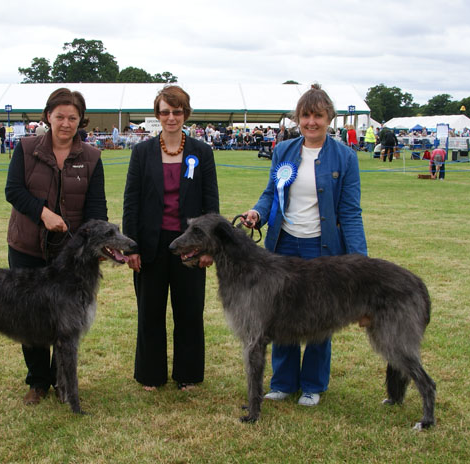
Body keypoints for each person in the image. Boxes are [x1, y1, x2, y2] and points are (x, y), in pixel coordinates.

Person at [240, 84, 367, 407]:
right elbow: (271, 193)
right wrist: (258, 212)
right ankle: (282, 382)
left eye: (318, 116)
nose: (311, 122)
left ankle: (312, 384)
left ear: (329, 119)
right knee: (280, 315)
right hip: (283, 246)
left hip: (322, 250)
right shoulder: (285, 151)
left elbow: (350, 212)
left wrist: (360, 262)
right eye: (305, 116)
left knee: (318, 318)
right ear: (298, 119)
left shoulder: (345, 157)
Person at [5, 87, 107, 405]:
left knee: (66, 319)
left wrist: (87, 245)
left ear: (81, 120)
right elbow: (13, 191)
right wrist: (43, 213)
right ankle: (38, 382)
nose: (65, 123)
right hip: (27, 246)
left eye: (72, 117)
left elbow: (96, 210)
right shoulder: (26, 148)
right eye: (60, 116)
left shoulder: (92, 157)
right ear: (48, 116)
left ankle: (63, 381)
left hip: (71, 255)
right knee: (31, 316)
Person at [123, 85, 219, 392]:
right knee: (149, 313)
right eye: (165, 112)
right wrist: (132, 247)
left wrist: (208, 247)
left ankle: (188, 374)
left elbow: (210, 204)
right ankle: (150, 375)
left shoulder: (202, 152)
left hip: (190, 248)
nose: (171, 117)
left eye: (177, 112)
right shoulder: (141, 152)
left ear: (186, 114)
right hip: (151, 246)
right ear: (157, 115)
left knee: (190, 312)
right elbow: (131, 202)